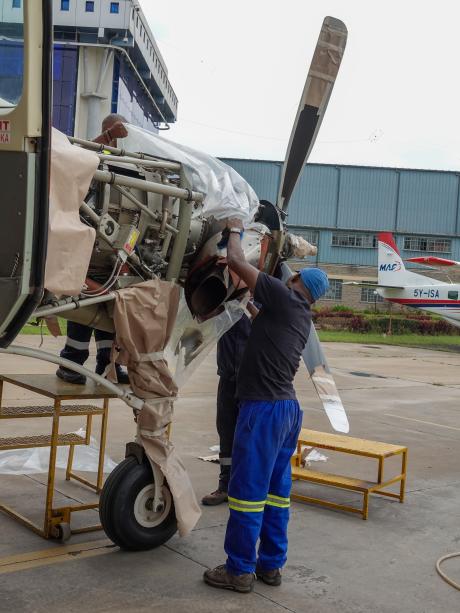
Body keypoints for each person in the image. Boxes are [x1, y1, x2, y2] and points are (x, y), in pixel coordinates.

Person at [203, 218, 329, 593]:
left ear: (297, 283)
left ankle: (239, 569)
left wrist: (235, 231)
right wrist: (248, 309)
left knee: (245, 492)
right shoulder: (300, 316)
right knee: (276, 493)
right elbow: (267, 322)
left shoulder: (284, 296)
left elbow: (241, 264)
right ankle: (270, 566)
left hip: (262, 411)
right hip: (287, 412)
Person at [56, 114, 129, 385]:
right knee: (84, 305)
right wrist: (108, 138)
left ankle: (106, 364)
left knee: (109, 308)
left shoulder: (126, 160)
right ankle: (71, 361)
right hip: (86, 246)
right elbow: (76, 155)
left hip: (112, 248)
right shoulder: (99, 150)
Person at [201, 313, 252, 506]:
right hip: (228, 378)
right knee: (226, 431)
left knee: (248, 434)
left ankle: (246, 488)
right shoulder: (229, 303)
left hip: (252, 382)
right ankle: (225, 486)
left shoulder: (266, 301)